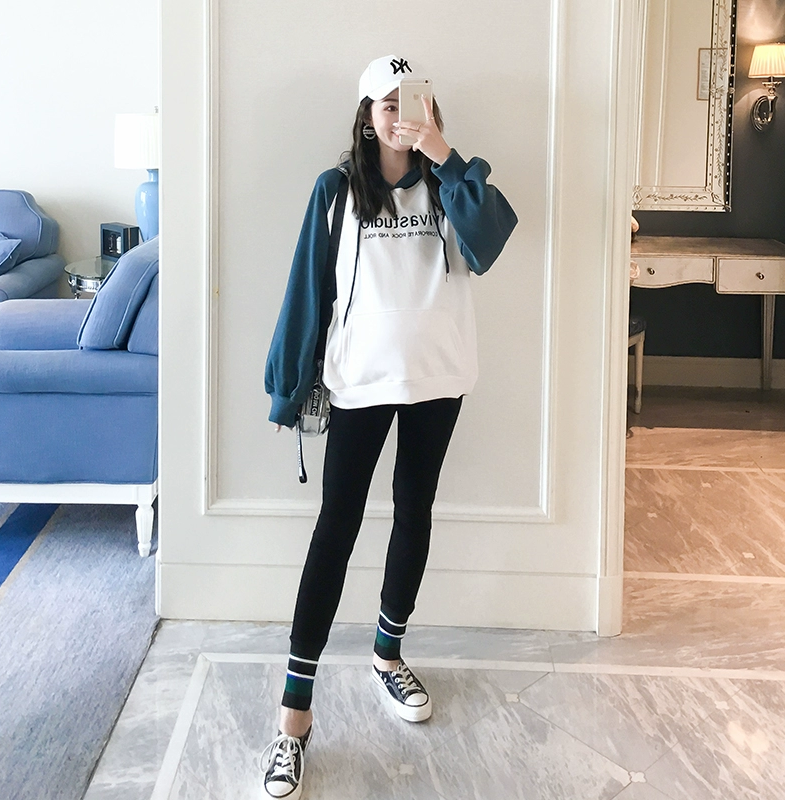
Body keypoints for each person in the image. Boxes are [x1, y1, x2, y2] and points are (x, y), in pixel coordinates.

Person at [261, 54, 518, 799]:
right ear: (367, 116)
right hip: (360, 383)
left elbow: (491, 241)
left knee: (415, 510)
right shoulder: (336, 189)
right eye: (388, 104)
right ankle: (293, 717)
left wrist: (444, 153)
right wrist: (289, 384)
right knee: (335, 528)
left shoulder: (451, 184)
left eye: (415, 102)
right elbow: (307, 287)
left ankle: (387, 652)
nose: (401, 115)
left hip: (439, 378)